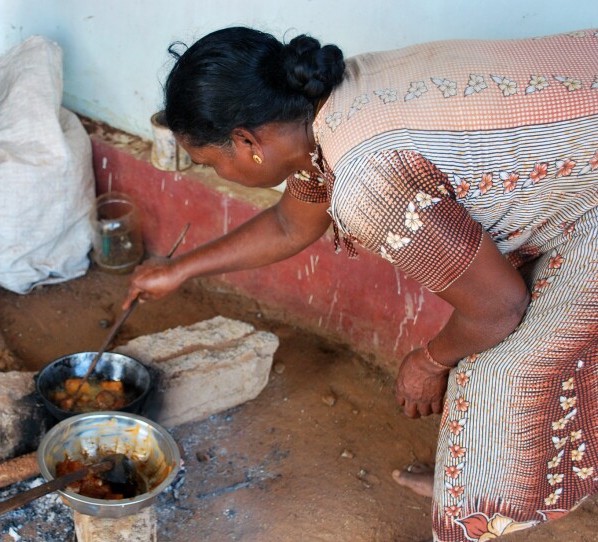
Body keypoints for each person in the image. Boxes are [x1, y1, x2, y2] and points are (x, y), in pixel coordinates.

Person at [122, 26, 598, 541]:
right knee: (480, 343)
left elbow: (500, 306)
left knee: (505, 366)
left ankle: (480, 515)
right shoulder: (324, 108)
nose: (216, 174)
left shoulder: (368, 180)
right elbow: (292, 224)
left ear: (246, 142)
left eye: (208, 162)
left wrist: (428, 362)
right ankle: (472, 485)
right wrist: (180, 268)